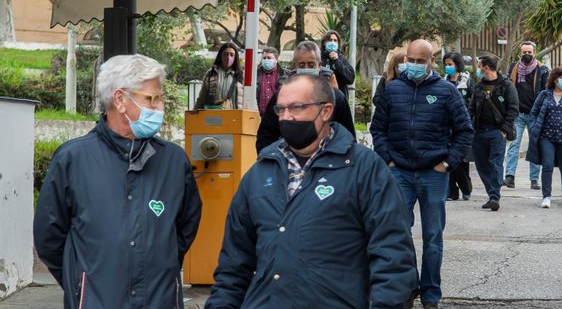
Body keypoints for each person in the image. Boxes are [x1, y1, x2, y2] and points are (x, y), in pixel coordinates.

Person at [206, 74, 418, 308]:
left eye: (296, 107)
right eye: (280, 109)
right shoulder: (259, 174)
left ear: (325, 111)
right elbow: (233, 267)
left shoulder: (365, 169)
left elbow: (393, 256)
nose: (286, 117)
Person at [34, 54, 202, 309]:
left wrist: (159, 265)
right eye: (151, 99)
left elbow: (185, 227)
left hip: (160, 301)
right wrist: (81, 283)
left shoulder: (174, 161)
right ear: (120, 99)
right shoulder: (73, 159)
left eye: (160, 98)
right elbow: (49, 238)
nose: (159, 108)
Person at [370, 39, 474, 309]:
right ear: (405, 59)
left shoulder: (446, 91)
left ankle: (430, 295)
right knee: (398, 235)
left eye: (420, 61)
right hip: (399, 173)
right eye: (411, 60)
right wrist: (388, 160)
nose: (414, 65)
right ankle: (406, 290)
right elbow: (378, 129)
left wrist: (448, 163)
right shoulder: (392, 89)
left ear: (431, 62)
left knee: (433, 238)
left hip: (434, 175)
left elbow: (464, 130)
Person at [255, 41, 354, 152]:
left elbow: (348, 138)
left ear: (319, 65)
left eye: (311, 65)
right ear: (295, 66)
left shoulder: (336, 98)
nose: (306, 69)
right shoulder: (281, 97)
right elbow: (266, 136)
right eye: (302, 65)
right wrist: (271, 159)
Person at [469, 55, 519, 212]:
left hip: (497, 132)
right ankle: (492, 194)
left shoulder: (506, 86)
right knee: (482, 166)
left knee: (495, 163)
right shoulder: (478, 87)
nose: (478, 69)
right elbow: (471, 109)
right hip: (479, 132)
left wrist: (504, 130)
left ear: (486, 67)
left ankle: (494, 196)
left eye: (479, 66)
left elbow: (513, 109)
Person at [526, 67, 562, 208]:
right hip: (546, 137)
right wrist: (532, 128)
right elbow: (533, 113)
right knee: (547, 165)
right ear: (555, 79)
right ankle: (546, 196)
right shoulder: (544, 95)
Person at [504, 41, 549, 190]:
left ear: (534, 53)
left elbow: (546, 92)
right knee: (514, 144)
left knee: (535, 145)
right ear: (520, 53)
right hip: (517, 114)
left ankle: (534, 179)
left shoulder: (542, 70)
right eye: (524, 52)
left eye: (529, 52)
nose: (527, 55)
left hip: (534, 114)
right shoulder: (514, 68)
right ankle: (509, 177)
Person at [444, 52, 474, 201]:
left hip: (462, 125)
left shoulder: (466, 81)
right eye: (446, 64)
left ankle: (466, 188)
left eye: (450, 64)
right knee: (447, 157)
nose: (447, 67)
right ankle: (451, 192)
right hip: (445, 126)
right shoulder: (442, 82)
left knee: (461, 160)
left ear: (457, 65)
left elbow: (473, 101)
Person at [194, 42, 243, 109]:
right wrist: (194, 113)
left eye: (232, 55)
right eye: (225, 54)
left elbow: (250, 99)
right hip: (215, 114)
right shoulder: (211, 73)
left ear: (235, 57)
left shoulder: (241, 75)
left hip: (235, 114)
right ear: (220, 55)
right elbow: (201, 99)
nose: (228, 57)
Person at [320, 30, 356, 97]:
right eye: (330, 40)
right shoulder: (318, 58)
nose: (332, 42)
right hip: (322, 97)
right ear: (324, 42)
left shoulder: (341, 58)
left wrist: (337, 61)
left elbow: (350, 79)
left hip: (339, 98)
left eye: (335, 40)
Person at [256, 47, 286, 115]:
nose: (266, 60)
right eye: (264, 58)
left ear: (276, 60)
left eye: (269, 58)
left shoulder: (284, 75)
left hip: (277, 115)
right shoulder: (255, 74)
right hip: (259, 115)